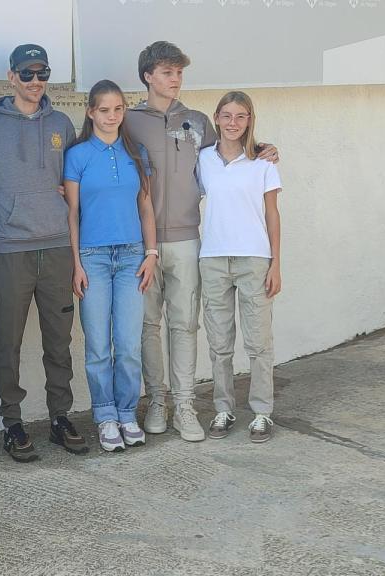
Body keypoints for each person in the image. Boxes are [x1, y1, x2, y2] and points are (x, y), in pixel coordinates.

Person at [125, 41, 278, 441]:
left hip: (189, 241)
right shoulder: (127, 121)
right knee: (147, 325)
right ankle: (157, 402)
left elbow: (231, 153)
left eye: (178, 73)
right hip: (141, 244)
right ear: (147, 76)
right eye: (166, 72)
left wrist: (264, 148)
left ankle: (186, 407)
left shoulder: (196, 121)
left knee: (185, 326)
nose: (174, 79)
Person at [0, 43, 88, 462]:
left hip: (57, 247)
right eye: (27, 74)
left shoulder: (61, 124)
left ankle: (60, 417)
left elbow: (74, 180)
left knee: (59, 341)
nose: (35, 82)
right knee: (9, 341)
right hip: (13, 251)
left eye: (42, 74)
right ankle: (12, 423)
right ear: (11, 77)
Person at [64, 80, 157, 452]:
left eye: (118, 109)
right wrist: (76, 264)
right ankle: (105, 416)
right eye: (104, 109)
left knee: (129, 343)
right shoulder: (78, 155)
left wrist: (152, 254)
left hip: (133, 256)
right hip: (93, 258)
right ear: (90, 112)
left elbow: (146, 207)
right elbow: (72, 214)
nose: (112, 116)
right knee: (99, 345)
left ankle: (127, 412)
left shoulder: (136, 153)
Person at [197, 91, 282, 443]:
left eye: (241, 116)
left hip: (253, 259)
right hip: (213, 258)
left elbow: (272, 214)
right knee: (219, 343)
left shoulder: (263, 162)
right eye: (227, 116)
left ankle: (262, 412)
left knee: (259, 341)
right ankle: (223, 408)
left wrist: (276, 263)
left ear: (250, 120)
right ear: (216, 118)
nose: (233, 123)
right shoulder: (202, 159)